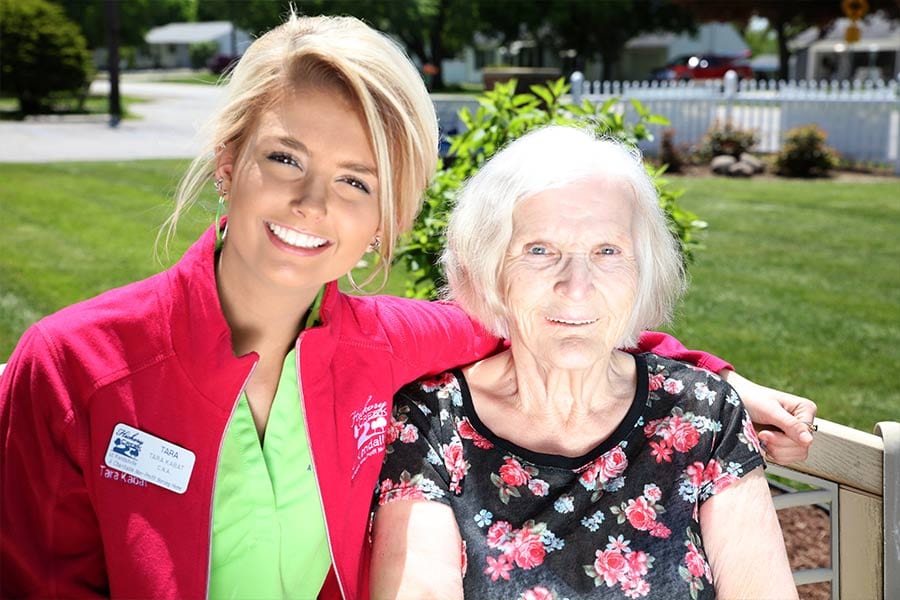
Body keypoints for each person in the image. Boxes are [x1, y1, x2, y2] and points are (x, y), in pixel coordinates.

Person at [0, 14, 811, 600]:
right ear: (227, 161)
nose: (313, 202)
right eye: (285, 157)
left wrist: (713, 384)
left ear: (386, 218)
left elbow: (542, 316)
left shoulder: (385, 343)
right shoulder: (73, 366)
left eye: (357, 180)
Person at [370, 127, 799, 599]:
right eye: (540, 251)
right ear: (487, 266)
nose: (576, 287)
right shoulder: (431, 424)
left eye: (607, 251)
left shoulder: (702, 415)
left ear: (643, 269)